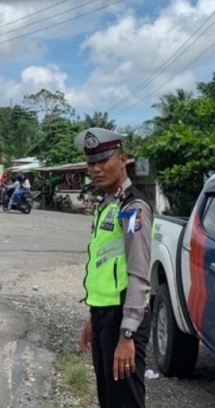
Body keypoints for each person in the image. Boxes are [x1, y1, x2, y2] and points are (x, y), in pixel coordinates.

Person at [74, 127, 153, 408]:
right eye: (91, 163)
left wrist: (127, 334)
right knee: (109, 400)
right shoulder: (109, 204)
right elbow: (105, 267)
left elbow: (139, 274)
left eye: (103, 161)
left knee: (125, 403)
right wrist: (93, 317)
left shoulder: (133, 208)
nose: (96, 169)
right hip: (104, 317)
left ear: (122, 160)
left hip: (123, 319)